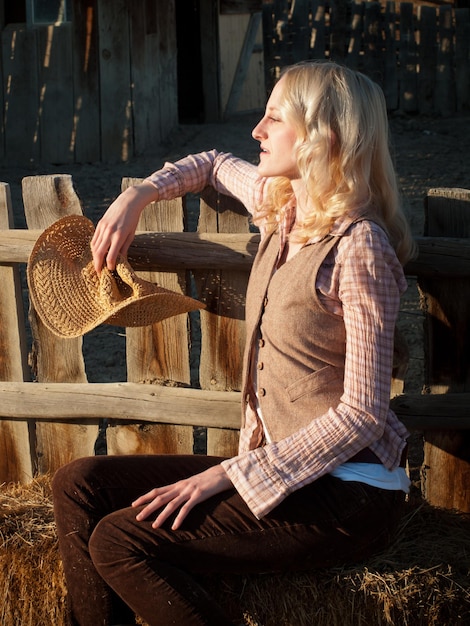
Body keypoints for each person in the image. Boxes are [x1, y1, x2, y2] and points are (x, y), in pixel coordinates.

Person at [52, 60, 416, 626]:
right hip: (284, 472)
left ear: (325, 136)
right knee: (79, 485)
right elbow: (215, 165)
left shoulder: (360, 249)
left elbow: (364, 415)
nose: (257, 131)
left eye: (274, 118)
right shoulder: (283, 208)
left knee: (121, 541)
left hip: (350, 494)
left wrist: (230, 474)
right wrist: (140, 194)